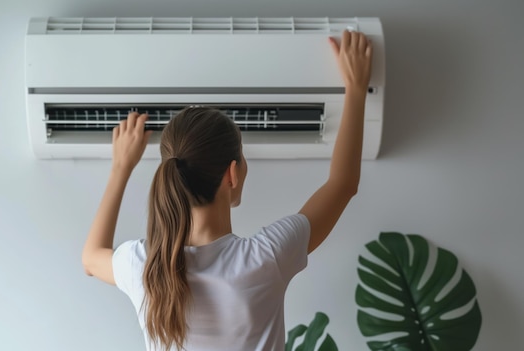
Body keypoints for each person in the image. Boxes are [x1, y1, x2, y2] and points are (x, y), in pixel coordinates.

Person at [82, 30, 373, 351]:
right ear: (232, 174)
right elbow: (343, 184)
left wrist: (120, 167)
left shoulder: (143, 267)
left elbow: (91, 259)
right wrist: (356, 89)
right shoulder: (266, 258)